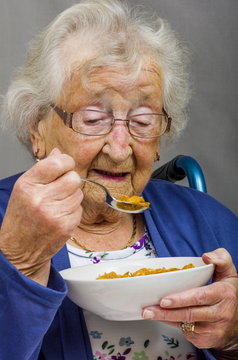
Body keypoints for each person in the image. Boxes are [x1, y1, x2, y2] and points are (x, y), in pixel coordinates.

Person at [0, 0, 237, 359]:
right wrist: (21, 263)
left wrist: (233, 337)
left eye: (143, 122)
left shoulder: (207, 219)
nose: (120, 148)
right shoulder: (7, 226)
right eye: (93, 119)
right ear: (37, 129)